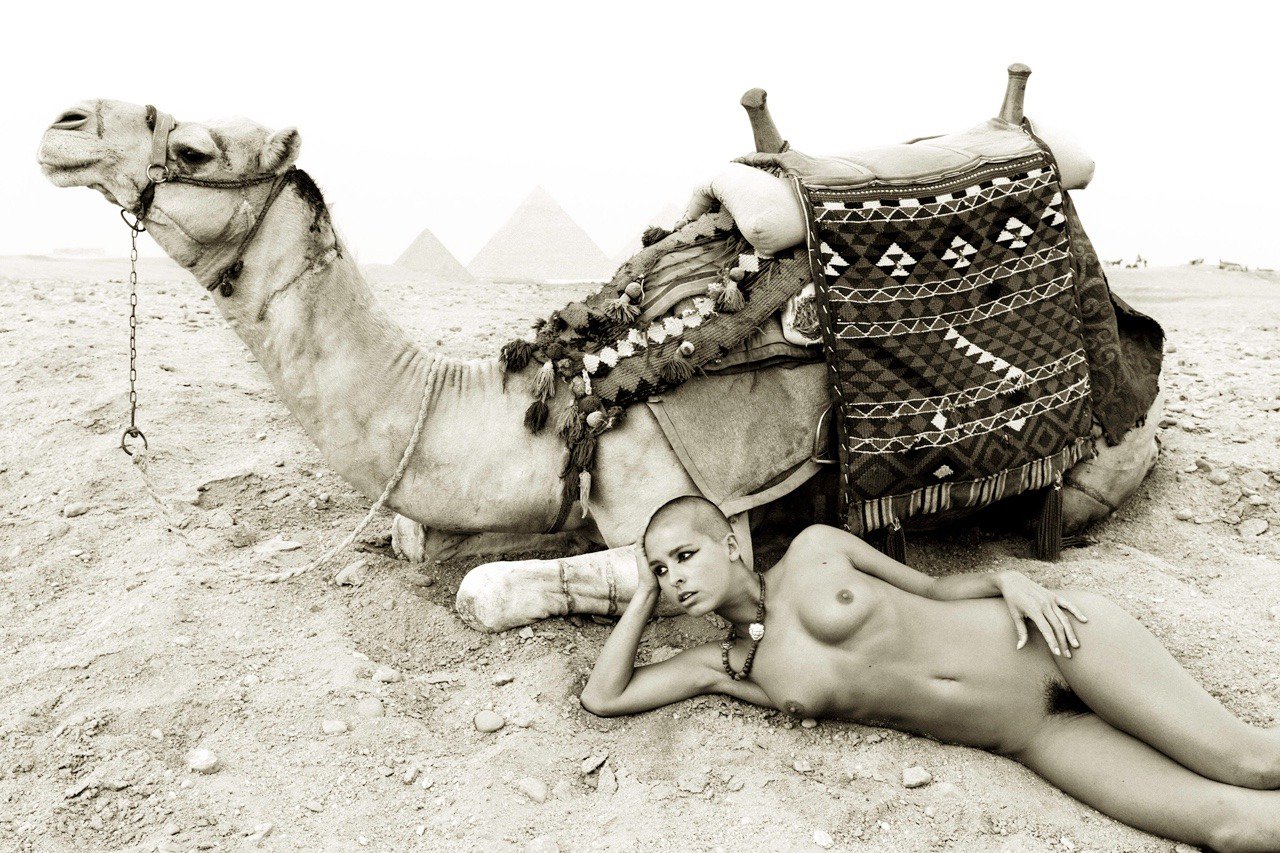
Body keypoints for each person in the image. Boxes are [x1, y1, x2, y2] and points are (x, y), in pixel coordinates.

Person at [580, 495, 1280, 851]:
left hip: (1049, 643)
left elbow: (934, 588)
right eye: (662, 569)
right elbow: (605, 695)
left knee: (1252, 761)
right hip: (1033, 735)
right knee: (1233, 830)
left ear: (731, 543)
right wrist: (640, 596)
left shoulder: (817, 550)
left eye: (685, 555)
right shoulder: (731, 663)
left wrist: (1007, 580)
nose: (675, 577)